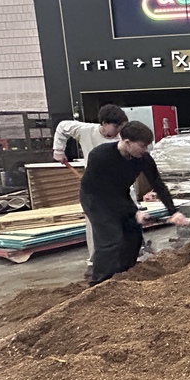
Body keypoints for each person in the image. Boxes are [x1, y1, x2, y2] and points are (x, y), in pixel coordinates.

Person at [80, 120, 190, 286]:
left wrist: (173, 211)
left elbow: (157, 183)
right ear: (127, 142)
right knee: (111, 239)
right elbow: (105, 191)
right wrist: (133, 211)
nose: (146, 150)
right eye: (142, 146)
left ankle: (124, 274)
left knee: (133, 234)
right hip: (96, 197)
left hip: (119, 194)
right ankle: (99, 284)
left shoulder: (143, 158)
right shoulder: (100, 156)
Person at [53, 104, 129, 268]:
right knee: (95, 224)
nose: (118, 131)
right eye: (115, 127)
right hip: (94, 188)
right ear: (104, 123)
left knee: (127, 219)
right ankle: (96, 261)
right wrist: (58, 149)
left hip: (119, 185)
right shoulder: (85, 130)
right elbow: (62, 127)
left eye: (120, 127)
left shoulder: (122, 139)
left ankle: (129, 256)